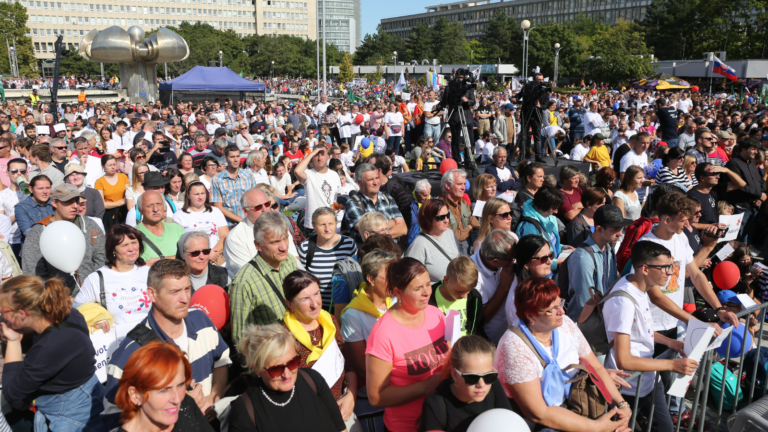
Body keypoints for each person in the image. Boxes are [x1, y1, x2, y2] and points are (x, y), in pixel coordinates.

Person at [102, 259, 231, 430]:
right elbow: (114, 420)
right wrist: (180, 407)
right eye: (175, 292)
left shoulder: (202, 320)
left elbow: (221, 360)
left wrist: (215, 395)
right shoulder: (129, 355)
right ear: (152, 294)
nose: (185, 299)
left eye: (187, 289)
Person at [496, 277, 631, 432]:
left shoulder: (565, 324)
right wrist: (597, 427)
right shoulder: (513, 346)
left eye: (560, 303)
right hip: (541, 426)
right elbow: (539, 413)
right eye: (551, 309)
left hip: (577, 409)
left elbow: (597, 368)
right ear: (530, 315)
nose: (562, 311)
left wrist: (621, 405)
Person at [603, 241, 700, 432]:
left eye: (670, 266)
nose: (670, 272)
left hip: (647, 380)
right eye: (664, 267)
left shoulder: (637, 287)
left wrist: (669, 342)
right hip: (627, 386)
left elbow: (641, 329)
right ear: (645, 268)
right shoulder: (624, 301)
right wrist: (672, 365)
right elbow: (624, 360)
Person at [0, 276, 108, 432]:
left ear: (22, 314)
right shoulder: (70, 314)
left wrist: (13, 341)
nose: (1, 317)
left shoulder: (48, 348)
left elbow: (12, 392)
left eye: (2, 311)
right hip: (91, 396)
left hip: (72, 416)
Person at [366, 257, 449, 432]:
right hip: (407, 426)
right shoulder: (383, 334)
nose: (427, 292)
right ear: (398, 292)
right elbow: (376, 397)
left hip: (442, 419)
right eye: (418, 288)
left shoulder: (436, 315)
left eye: (428, 284)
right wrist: (425, 386)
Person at [227, 323, 346, 432]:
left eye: (292, 363)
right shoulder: (245, 410)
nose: (287, 374)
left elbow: (341, 429)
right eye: (276, 369)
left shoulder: (312, 379)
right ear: (257, 369)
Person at [280, 270, 357, 422]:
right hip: (309, 417)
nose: (315, 304)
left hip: (343, 408)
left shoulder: (330, 321)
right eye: (305, 299)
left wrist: (350, 396)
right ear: (289, 303)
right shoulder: (282, 336)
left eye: (316, 294)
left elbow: (348, 364)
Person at [230, 212, 300, 345]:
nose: (284, 247)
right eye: (275, 242)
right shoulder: (244, 282)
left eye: (285, 238)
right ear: (258, 245)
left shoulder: (290, 261)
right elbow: (241, 339)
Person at [23, 183, 106, 292]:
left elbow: (102, 258)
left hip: (92, 294)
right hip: (57, 300)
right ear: (54, 203)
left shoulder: (90, 225)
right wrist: (56, 296)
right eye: (68, 201)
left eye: (77, 201)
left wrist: (93, 288)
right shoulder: (39, 231)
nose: (75, 206)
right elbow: (33, 271)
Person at [114, 341, 213, 432]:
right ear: (136, 396)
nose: (177, 399)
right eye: (164, 390)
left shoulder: (186, 404)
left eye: (180, 385)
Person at [422, 335, 512, 432]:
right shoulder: (436, 403)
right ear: (455, 375)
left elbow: (509, 423)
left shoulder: (493, 385)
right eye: (472, 378)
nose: (481, 384)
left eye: (489, 376)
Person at [74, 224, 151, 329]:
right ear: (113, 250)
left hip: (152, 337)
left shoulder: (149, 272)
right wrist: (96, 318)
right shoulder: (97, 278)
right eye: (124, 245)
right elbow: (76, 307)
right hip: (118, 340)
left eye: (134, 242)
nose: (131, 249)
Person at [340, 250, 398, 384]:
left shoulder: (395, 301)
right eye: (389, 276)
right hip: (374, 392)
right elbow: (362, 368)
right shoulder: (352, 315)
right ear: (371, 279)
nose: (395, 281)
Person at [565, 205, 628, 320]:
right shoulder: (582, 258)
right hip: (587, 324)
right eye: (615, 229)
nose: (620, 233)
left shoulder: (608, 248)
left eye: (621, 228)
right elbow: (585, 302)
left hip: (604, 318)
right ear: (599, 229)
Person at [297, 207, 357, 308]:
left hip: (347, 307)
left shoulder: (349, 244)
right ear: (314, 226)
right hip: (319, 308)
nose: (327, 229)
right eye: (322, 225)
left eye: (331, 224)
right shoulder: (306, 248)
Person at [470, 230, 517, 344]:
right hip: (493, 342)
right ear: (495, 261)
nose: (514, 262)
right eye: (511, 259)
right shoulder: (472, 275)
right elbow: (483, 317)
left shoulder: (502, 258)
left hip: (510, 335)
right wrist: (503, 287)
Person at [516, 186, 571, 275]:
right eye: (553, 208)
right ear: (543, 205)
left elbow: (548, 243)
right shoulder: (529, 227)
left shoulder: (548, 218)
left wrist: (561, 247)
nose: (556, 212)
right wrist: (557, 262)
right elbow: (534, 262)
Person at [172, 181, 229, 264]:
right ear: (188, 195)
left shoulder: (215, 211)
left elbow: (225, 235)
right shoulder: (179, 216)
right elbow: (180, 243)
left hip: (216, 257)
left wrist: (211, 253)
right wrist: (203, 255)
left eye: (202, 193)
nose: (200, 197)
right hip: (193, 259)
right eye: (196, 194)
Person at [406, 199, 462, 283]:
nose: (446, 220)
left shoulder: (449, 233)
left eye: (448, 215)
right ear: (428, 220)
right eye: (441, 217)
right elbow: (411, 278)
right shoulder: (419, 244)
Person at [429, 256, 485, 337]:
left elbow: (477, 329)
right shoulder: (429, 299)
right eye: (459, 291)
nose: (464, 296)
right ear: (446, 280)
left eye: (468, 291)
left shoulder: (474, 297)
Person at [295, 145, 341, 235]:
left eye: (322, 154)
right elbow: (297, 171)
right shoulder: (309, 174)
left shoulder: (334, 175)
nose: (319, 158)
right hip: (313, 226)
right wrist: (312, 153)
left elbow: (337, 195)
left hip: (330, 224)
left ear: (328, 157)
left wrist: (336, 206)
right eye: (316, 155)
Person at [725, 138, 766, 239]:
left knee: (747, 234)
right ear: (743, 149)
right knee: (736, 236)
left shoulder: (751, 163)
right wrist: (759, 194)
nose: (756, 152)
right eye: (753, 149)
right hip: (741, 207)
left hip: (755, 205)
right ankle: (732, 254)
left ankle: (743, 252)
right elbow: (740, 186)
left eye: (756, 149)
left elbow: (760, 181)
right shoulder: (733, 163)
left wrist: (761, 196)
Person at [688, 163, 745, 229]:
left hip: (713, 234)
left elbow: (741, 184)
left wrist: (727, 170)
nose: (718, 177)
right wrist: (710, 226)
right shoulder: (692, 196)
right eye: (714, 174)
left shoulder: (715, 189)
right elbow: (688, 223)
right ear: (702, 178)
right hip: (701, 236)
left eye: (718, 174)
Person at [135, 190, 186, 264]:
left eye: (159, 204)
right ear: (140, 210)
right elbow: (141, 264)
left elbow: (188, 257)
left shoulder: (176, 229)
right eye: (149, 205)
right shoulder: (134, 235)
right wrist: (176, 258)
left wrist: (158, 260)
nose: (155, 209)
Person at [211, 145, 256, 226]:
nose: (236, 160)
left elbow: (255, 200)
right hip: (229, 224)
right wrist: (241, 221)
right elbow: (218, 207)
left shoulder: (248, 175)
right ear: (226, 158)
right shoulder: (217, 179)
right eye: (232, 157)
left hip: (249, 222)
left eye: (238, 156)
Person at [441, 169, 472, 254]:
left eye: (464, 184)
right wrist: (469, 229)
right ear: (448, 185)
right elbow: (450, 235)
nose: (464, 188)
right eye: (459, 184)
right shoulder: (440, 207)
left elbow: (475, 224)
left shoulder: (464, 203)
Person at [15, 174, 54, 240]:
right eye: (40, 188)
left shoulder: (57, 203)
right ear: (31, 189)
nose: (45, 191)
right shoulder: (21, 207)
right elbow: (28, 232)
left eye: (48, 188)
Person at [96, 154, 130, 229]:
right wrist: (120, 202)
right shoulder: (99, 182)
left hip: (124, 212)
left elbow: (129, 196)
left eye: (114, 164)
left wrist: (124, 202)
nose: (112, 167)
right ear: (103, 166)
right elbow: (102, 204)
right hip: (110, 215)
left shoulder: (123, 177)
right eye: (109, 165)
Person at [619, 132, 653, 203]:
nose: (646, 145)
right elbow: (623, 179)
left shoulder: (644, 154)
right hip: (633, 198)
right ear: (636, 142)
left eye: (648, 143)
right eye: (643, 143)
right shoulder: (629, 157)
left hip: (644, 196)